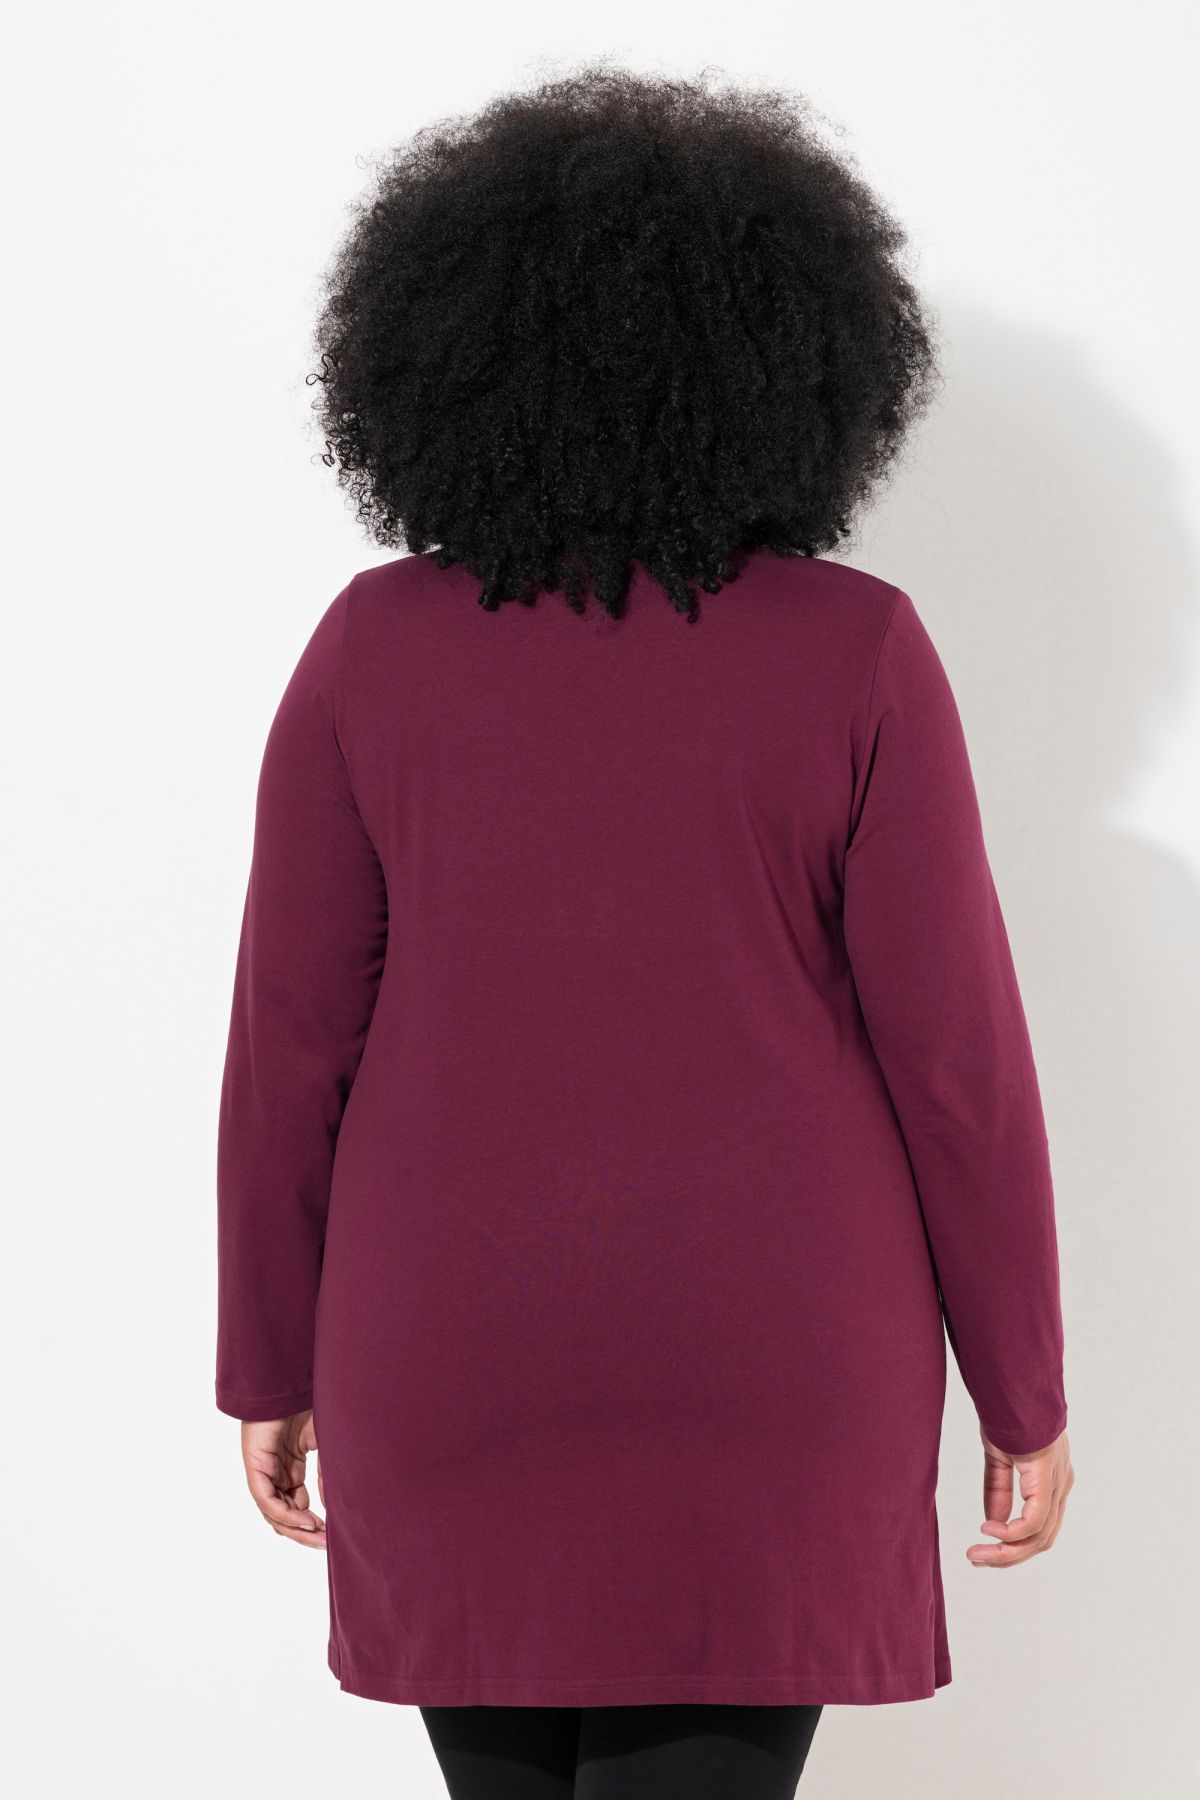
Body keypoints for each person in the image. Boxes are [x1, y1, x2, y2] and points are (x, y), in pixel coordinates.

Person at [214, 64, 1074, 1798]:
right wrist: (1025, 1389)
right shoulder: (856, 650)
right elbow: (957, 1066)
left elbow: (289, 1046)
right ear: (794, 366)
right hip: (775, 1354)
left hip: (452, 1344)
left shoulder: (373, 648)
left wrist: (266, 1356)